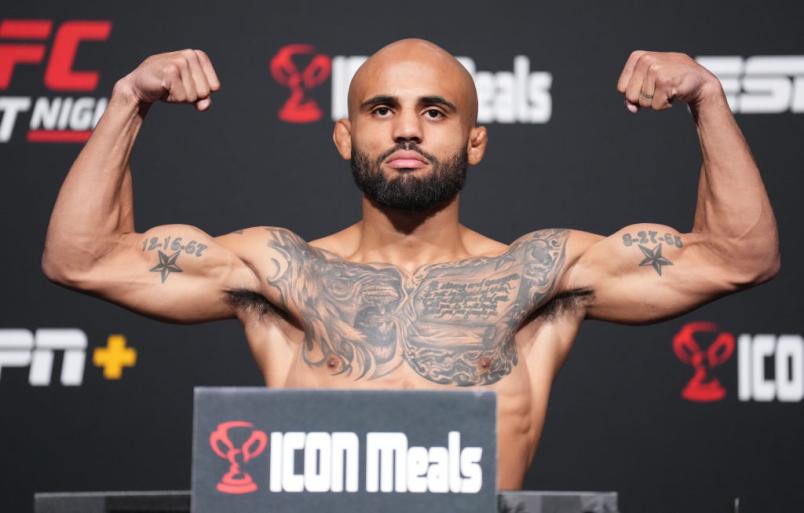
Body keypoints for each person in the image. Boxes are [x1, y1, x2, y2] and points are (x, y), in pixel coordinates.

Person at [41, 38, 780, 489]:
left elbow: (741, 257)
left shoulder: (539, 274)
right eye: (381, 110)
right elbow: (81, 258)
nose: (406, 129)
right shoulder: (280, 270)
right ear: (343, 136)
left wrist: (707, 99)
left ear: (475, 140)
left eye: (434, 112)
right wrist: (127, 100)